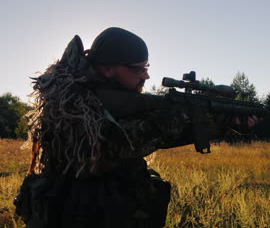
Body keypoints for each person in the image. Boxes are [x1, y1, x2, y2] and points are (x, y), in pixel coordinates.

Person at [14, 27, 256, 228]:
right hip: (83, 217)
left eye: (146, 67)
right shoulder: (73, 104)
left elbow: (154, 136)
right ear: (109, 68)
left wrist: (222, 124)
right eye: (138, 68)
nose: (146, 76)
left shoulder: (111, 101)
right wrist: (179, 116)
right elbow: (115, 145)